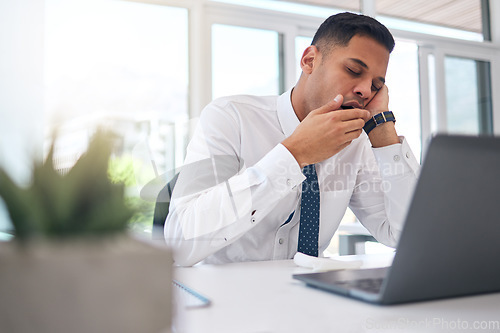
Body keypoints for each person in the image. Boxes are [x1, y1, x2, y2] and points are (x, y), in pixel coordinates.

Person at [165, 12, 419, 266]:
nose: (365, 90)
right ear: (309, 61)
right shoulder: (231, 118)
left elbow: (403, 234)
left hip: (310, 298)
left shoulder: (355, 144)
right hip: (224, 299)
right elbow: (179, 245)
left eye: (376, 85)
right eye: (353, 70)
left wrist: (383, 131)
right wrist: (293, 154)